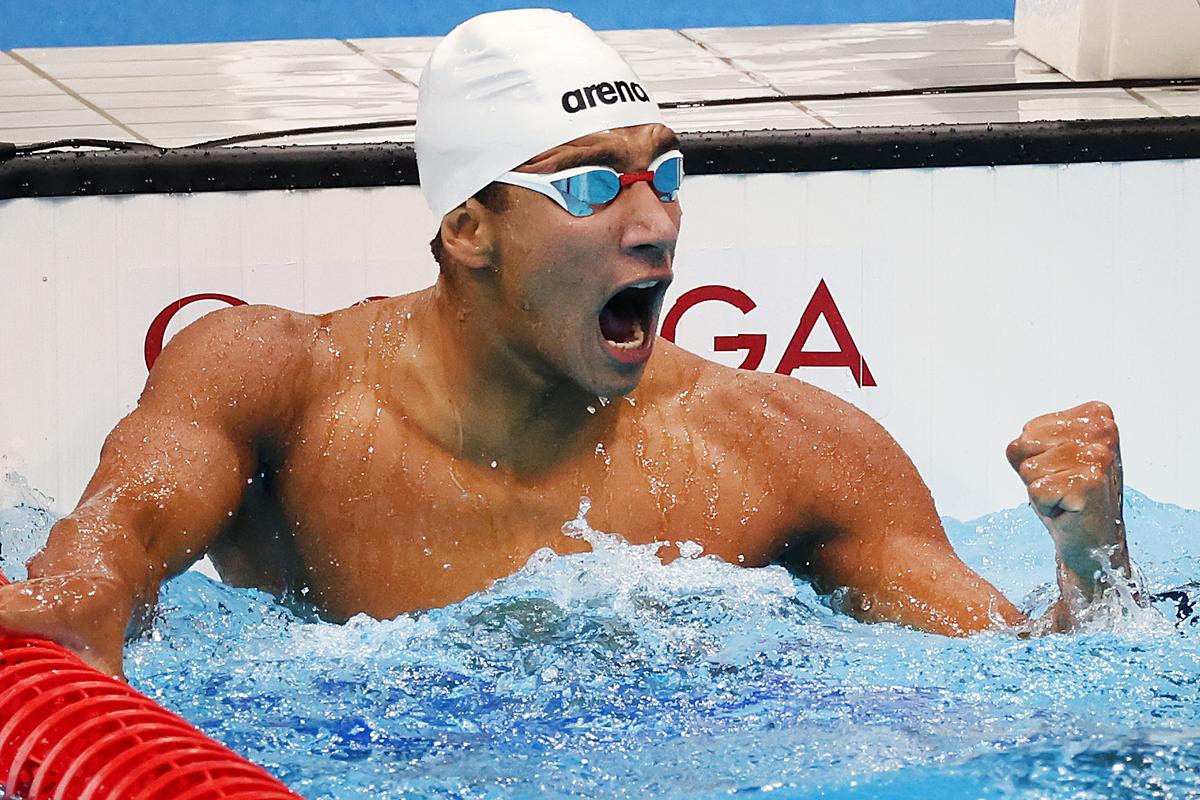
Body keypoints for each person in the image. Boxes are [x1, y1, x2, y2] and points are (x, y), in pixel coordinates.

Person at [0, 10, 1136, 678]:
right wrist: (86, 586)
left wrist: (1095, 567)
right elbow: (119, 539)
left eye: (665, 173)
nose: (655, 223)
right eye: (594, 184)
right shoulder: (272, 382)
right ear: (468, 229)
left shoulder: (787, 450)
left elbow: (1032, 681)